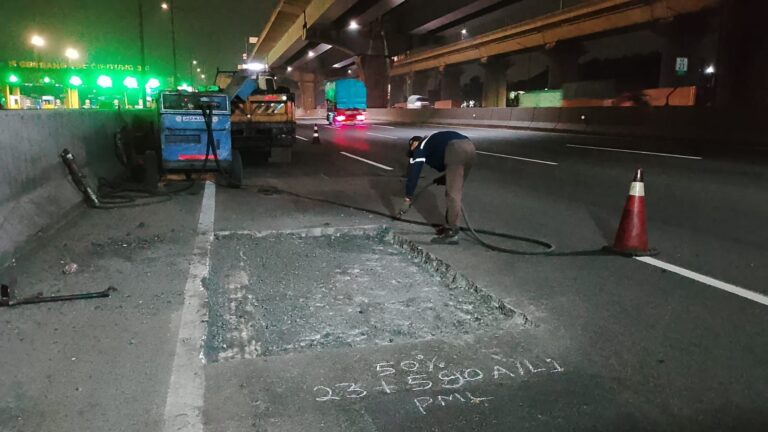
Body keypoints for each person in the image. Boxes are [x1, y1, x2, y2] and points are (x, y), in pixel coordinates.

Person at [397, 131, 476, 245]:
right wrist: (444, 178)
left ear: (415, 143)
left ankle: (452, 233)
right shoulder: (432, 142)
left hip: (455, 148)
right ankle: (450, 226)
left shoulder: (421, 147)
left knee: (452, 194)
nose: (414, 152)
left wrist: (408, 197)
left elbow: (413, 175)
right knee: (455, 192)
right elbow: (449, 163)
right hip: (470, 147)